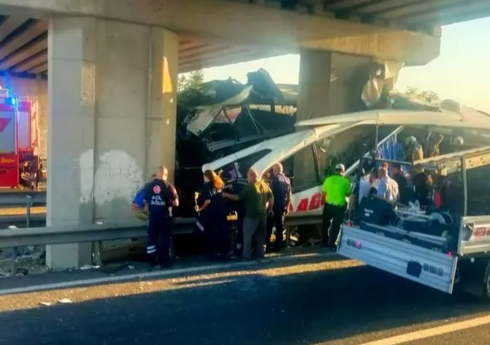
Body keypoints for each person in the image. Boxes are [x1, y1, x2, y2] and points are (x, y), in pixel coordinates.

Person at [224, 168, 274, 260]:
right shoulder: (264, 184)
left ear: (252, 176)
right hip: (263, 215)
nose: (246, 179)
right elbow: (271, 198)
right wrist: (269, 209)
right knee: (260, 236)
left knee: (247, 235)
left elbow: (237, 197)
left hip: (252, 215)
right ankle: (260, 254)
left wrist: (226, 195)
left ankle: (246, 255)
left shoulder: (250, 187)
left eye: (247, 176)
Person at [144, 166, 179, 268]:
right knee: (164, 239)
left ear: (156, 174)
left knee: (152, 238)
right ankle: (164, 261)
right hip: (165, 217)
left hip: (153, 216)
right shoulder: (169, 187)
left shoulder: (148, 186)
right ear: (166, 175)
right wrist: (169, 201)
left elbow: (145, 201)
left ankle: (151, 260)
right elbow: (176, 203)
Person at [197, 170, 229, 261]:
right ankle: (223, 253)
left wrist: (201, 209)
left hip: (213, 213)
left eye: (204, 176)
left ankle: (211, 254)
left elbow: (208, 201)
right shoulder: (218, 185)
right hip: (222, 212)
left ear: (207, 177)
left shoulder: (206, 187)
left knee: (211, 233)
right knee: (222, 233)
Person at [321, 163, 351, 250]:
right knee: (336, 226)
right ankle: (332, 244)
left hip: (328, 205)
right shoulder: (346, 181)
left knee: (325, 224)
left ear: (335, 170)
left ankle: (324, 242)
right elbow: (348, 194)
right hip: (339, 207)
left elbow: (323, 194)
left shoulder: (328, 180)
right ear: (343, 171)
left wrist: (323, 202)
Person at [266, 163, 291, 253]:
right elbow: (289, 196)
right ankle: (278, 247)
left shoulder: (273, 180)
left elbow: (271, 196)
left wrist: (270, 209)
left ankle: (268, 246)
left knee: (269, 227)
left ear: (275, 170)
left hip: (274, 207)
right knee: (279, 227)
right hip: (282, 207)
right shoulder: (287, 180)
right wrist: (287, 207)